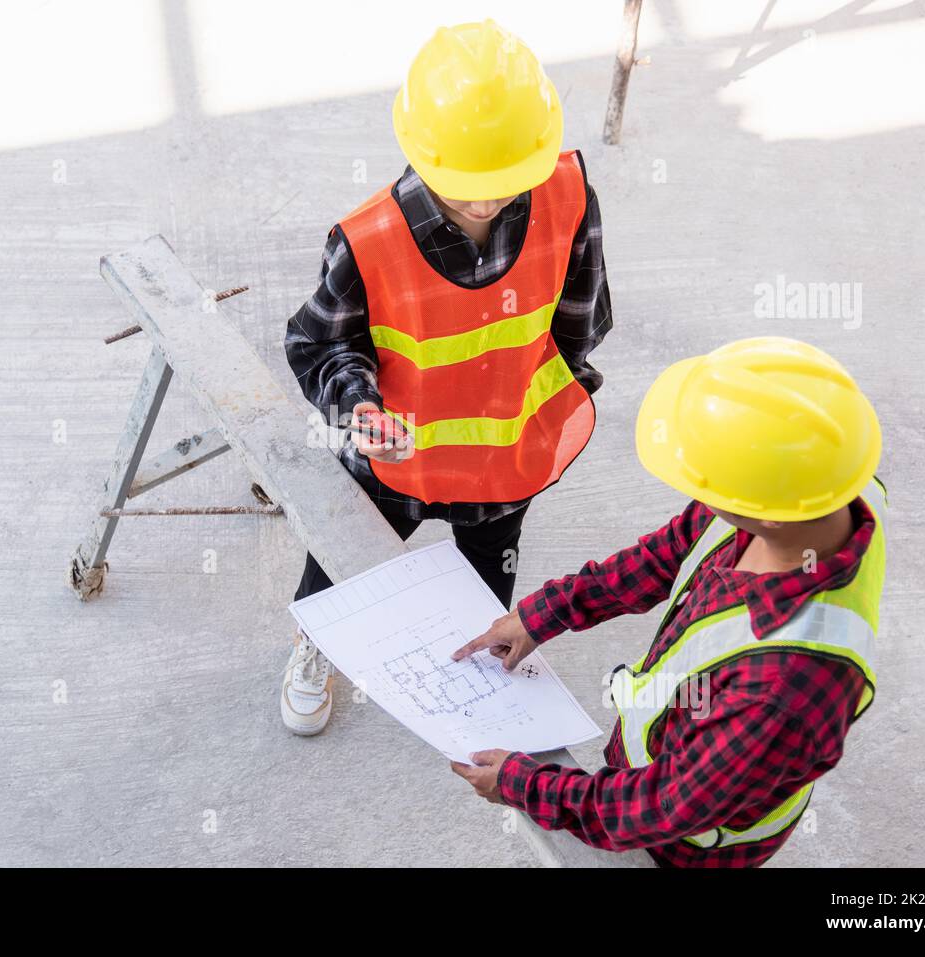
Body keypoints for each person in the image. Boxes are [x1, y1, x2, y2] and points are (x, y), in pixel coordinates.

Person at [281, 19, 613, 735]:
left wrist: (564, 388)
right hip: (391, 460)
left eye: (504, 184)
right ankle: (318, 643)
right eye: (469, 188)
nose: (488, 203)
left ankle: (479, 692)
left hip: (502, 459)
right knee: (343, 567)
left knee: (487, 592)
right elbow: (317, 344)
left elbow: (579, 317)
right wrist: (358, 407)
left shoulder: (567, 197)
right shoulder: (369, 241)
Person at [450, 337, 886, 867]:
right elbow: (667, 552)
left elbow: (658, 808)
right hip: (673, 751)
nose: (700, 496)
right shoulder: (825, 493)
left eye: (712, 483)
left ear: (767, 512)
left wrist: (524, 784)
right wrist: (543, 614)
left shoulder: (783, 693)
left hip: (686, 846)